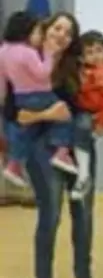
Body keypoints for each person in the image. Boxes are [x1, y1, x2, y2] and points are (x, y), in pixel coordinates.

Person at [5, 11, 103, 278]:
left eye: (68, 32)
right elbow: (13, 112)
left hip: (79, 148)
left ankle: (84, 276)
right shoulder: (25, 60)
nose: (62, 35)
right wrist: (46, 115)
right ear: (46, 29)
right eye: (57, 28)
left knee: (84, 214)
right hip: (42, 148)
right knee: (50, 215)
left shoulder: (79, 65)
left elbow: (87, 106)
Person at [0, 12, 77, 185]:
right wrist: (49, 54)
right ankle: (62, 151)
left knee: (23, 132)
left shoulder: (3, 51)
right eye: (37, 32)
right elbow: (43, 73)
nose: (39, 36)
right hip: (40, 95)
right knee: (64, 116)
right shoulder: (29, 52)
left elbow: (2, 82)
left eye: (68, 33)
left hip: (21, 97)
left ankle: (14, 164)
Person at [74, 30, 103, 201]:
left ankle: (83, 174)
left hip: (102, 111)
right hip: (86, 110)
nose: (95, 56)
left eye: (99, 50)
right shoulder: (81, 71)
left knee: (84, 127)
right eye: (89, 52)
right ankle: (83, 173)